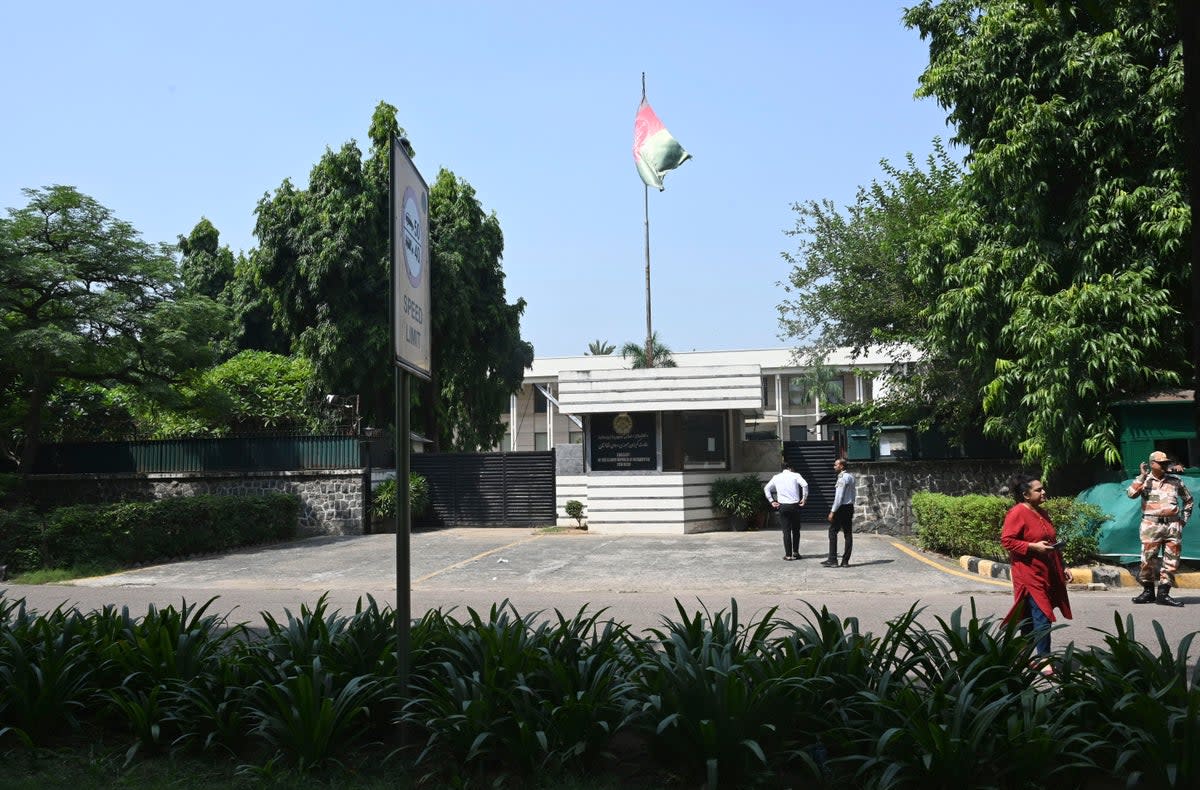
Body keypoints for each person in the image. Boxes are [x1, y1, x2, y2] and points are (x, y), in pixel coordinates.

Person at [1000, 474, 1073, 676]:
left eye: (1043, 489)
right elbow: (1007, 541)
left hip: (1047, 571)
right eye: (1038, 490)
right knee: (1042, 613)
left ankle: (1025, 654)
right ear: (1025, 494)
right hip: (1028, 573)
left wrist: (1064, 565)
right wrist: (1033, 547)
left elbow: (1051, 540)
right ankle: (1044, 659)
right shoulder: (1017, 513)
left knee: (1030, 615)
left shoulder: (1042, 512)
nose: (1043, 492)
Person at [1126, 450, 1193, 607]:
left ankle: (1163, 594)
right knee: (1147, 560)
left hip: (1172, 526)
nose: (1165, 465)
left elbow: (1189, 501)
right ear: (1152, 464)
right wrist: (1142, 476)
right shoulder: (1145, 481)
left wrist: (1182, 520)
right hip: (1151, 525)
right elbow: (1131, 494)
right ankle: (1148, 592)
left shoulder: (1175, 481)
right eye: (1161, 463)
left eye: (1166, 463)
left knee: (1172, 560)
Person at [765, 460, 808, 561]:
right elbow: (805, 485)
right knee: (796, 530)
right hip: (794, 505)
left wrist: (771, 501)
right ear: (790, 468)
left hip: (783, 506)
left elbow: (766, 488)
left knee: (786, 531)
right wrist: (804, 498)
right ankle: (796, 552)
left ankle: (788, 555)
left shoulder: (776, 477)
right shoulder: (795, 475)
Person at [821, 458, 856, 567]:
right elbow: (853, 494)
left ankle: (832, 560)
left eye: (836, 465)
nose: (834, 467)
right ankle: (845, 561)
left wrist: (832, 511)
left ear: (841, 466)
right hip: (849, 507)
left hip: (841, 508)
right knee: (848, 534)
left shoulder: (842, 478)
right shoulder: (851, 477)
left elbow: (839, 497)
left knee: (832, 531)